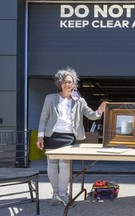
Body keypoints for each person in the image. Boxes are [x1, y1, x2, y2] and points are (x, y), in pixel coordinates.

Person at [35, 67, 107, 206]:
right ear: (60, 84)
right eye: (65, 82)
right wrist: (40, 137)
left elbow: (91, 115)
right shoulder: (50, 98)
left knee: (65, 165)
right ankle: (55, 193)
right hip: (51, 136)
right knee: (52, 165)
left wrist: (100, 110)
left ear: (74, 84)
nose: (68, 84)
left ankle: (63, 193)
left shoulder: (79, 100)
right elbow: (43, 119)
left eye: (70, 82)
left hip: (68, 137)